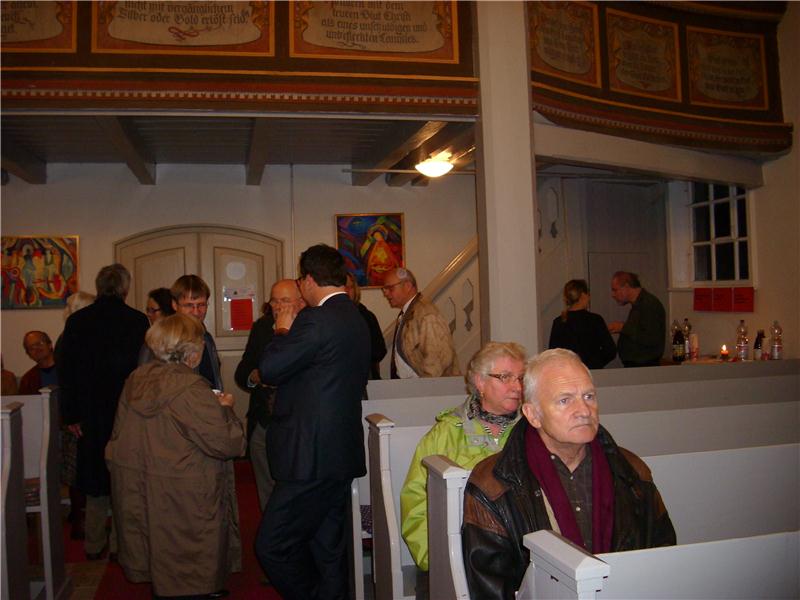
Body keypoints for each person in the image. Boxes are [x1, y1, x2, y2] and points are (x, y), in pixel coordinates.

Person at [461, 349, 676, 600]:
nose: (584, 410)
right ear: (533, 415)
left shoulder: (632, 472)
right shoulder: (493, 484)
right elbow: (491, 588)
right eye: (565, 400)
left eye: (589, 396)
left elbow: (663, 558)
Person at [254, 244, 370, 600]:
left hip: (310, 457)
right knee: (328, 549)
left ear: (307, 280)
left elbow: (270, 369)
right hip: (339, 453)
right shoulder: (355, 316)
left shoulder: (316, 319)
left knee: (272, 545)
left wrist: (282, 330)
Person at [107, 313, 245, 600]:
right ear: (192, 351)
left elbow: (119, 434)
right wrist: (225, 409)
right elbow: (227, 443)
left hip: (145, 481)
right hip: (185, 487)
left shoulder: (136, 379)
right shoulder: (190, 388)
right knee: (188, 558)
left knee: (160, 550)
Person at [401, 341, 526, 599]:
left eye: (520, 378)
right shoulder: (446, 433)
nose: (517, 387)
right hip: (462, 557)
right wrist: (437, 561)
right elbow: (416, 501)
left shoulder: (533, 431)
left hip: (523, 559)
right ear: (480, 382)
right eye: (505, 377)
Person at [58, 264, 149, 560]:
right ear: (125, 288)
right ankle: (120, 545)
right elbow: (145, 370)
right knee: (124, 480)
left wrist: (70, 415)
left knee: (95, 481)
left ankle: (93, 543)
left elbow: (66, 372)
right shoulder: (137, 321)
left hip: (89, 412)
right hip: (126, 411)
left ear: (98, 287)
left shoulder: (78, 321)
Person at [234, 279, 305, 510]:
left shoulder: (309, 328)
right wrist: (254, 376)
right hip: (263, 419)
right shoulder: (262, 327)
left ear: (301, 302)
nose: (278, 306)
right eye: (274, 301)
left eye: (285, 301)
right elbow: (242, 371)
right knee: (267, 491)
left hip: (297, 425)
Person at [54, 290, 95, 540]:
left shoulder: (75, 336)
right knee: (76, 469)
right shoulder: (69, 339)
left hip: (81, 412)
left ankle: (83, 519)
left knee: (81, 468)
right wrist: (72, 416)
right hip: (76, 415)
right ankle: (79, 520)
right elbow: (68, 381)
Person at [382, 267, 460, 378]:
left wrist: (425, 387)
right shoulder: (410, 312)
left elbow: (438, 360)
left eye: (390, 288)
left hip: (427, 387)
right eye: (384, 289)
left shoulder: (426, 314)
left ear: (407, 286)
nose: (385, 293)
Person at [548, 280, 616, 369]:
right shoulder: (595, 320)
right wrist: (595, 364)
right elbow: (610, 351)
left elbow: (553, 354)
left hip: (568, 372)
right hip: (592, 372)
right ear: (583, 295)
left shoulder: (558, 322)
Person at [171, 275, 222, 390]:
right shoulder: (164, 340)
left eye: (201, 305)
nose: (196, 312)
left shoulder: (206, 337)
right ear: (174, 305)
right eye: (189, 305)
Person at [607, 271, 666, 367]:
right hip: (638, 365)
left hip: (644, 365)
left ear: (626, 286)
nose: (613, 295)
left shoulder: (648, 304)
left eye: (615, 290)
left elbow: (651, 337)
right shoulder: (639, 305)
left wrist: (623, 327)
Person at [346, 272, 387, 379]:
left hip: (365, 377)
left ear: (355, 289)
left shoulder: (366, 316)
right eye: (344, 287)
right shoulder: (328, 317)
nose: (347, 291)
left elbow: (380, 351)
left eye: (350, 287)